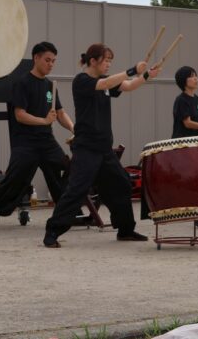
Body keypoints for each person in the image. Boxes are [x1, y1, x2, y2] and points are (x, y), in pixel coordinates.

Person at [42, 43, 160, 248]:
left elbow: (129, 86)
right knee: (77, 190)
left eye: (110, 61)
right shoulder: (82, 81)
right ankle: (52, 231)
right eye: (106, 61)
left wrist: (147, 75)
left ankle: (125, 230)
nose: (108, 65)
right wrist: (132, 70)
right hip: (86, 148)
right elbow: (105, 84)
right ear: (93, 61)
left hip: (104, 149)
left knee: (122, 183)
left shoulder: (106, 82)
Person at [0, 41, 75, 231]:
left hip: (46, 141)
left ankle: (65, 213)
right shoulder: (22, 83)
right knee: (14, 179)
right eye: (47, 60)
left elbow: (60, 113)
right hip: (25, 142)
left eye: (54, 61)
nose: (51, 64)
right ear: (36, 58)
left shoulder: (50, 86)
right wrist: (43, 121)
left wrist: (74, 129)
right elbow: (20, 115)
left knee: (65, 168)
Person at [172, 66, 198, 229]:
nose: (196, 79)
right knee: (188, 179)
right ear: (184, 81)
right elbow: (187, 122)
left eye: (196, 76)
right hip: (183, 145)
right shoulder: (181, 100)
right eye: (192, 76)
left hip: (197, 146)